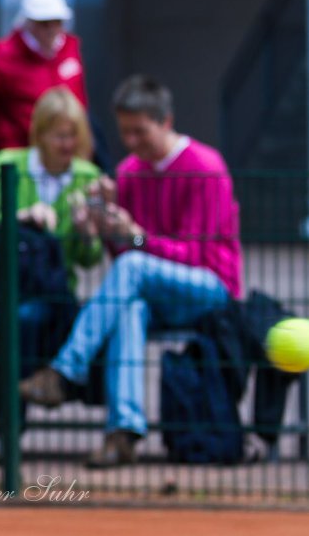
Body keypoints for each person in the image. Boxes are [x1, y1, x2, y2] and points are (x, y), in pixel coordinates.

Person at [18, 75, 243, 468]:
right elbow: (121, 259)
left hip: (210, 287)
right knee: (128, 308)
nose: (133, 142)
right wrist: (102, 228)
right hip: (153, 288)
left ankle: (65, 369)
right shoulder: (129, 172)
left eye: (141, 132)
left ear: (166, 121)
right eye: (125, 132)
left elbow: (195, 256)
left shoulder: (204, 166)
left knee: (135, 267)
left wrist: (136, 239)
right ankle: (123, 431)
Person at [0, 85, 104, 462]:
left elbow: (89, 260)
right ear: (40, 134)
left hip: (50, 293)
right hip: (0, 285)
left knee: (22, 322)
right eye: (59, 135)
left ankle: (3, 431)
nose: (68, 144)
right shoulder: (10, 165)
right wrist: (18, 217)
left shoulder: (87, 176)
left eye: (74, 135)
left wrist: (87, 234)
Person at [0, 0, 88, 156]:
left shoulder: (70, 49)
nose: (51, 29)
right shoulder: (0, 56)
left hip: (69, 155)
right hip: (22, 158)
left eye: (57, 22)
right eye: (43, 23)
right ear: (28, 23)